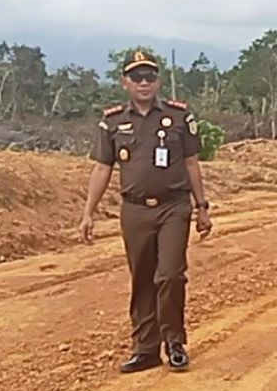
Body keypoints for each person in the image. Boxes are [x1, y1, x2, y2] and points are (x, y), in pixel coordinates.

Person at [80, 50, 213, 373]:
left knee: (170, 274)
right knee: (142, 278)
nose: (144, 83)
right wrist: (88, 213)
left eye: (150, 76)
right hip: (135, 210)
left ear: (159, 80)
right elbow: (102, 169)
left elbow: (192, 163)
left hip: (174, 206)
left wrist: (202, 207)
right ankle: (145, 348)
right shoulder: (113, 121)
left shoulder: (179, 116)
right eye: (136, 77)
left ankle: (175, 341)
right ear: (124, 81)